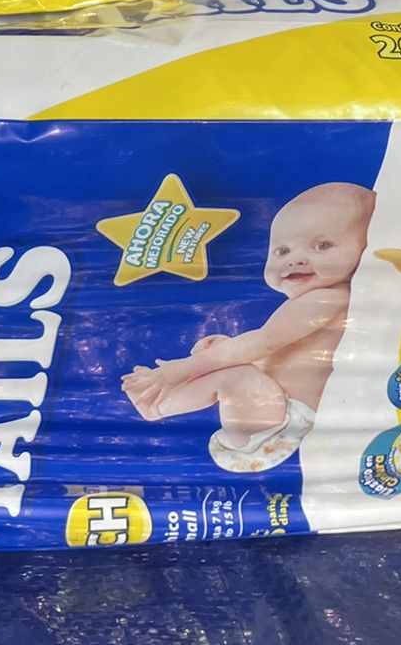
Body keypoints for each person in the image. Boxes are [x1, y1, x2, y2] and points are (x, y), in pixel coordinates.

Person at [121, 182, 376, 473]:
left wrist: (179, 369)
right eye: (282, 251)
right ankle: (160, 401)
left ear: (366, 246)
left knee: (237, 375)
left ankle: (157, 405)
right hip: (275, 411)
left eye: (322, 246)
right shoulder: (319, 300)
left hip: (285, 419)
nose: (295, 259)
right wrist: (229, 346)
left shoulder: (328, 298)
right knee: (234, 367)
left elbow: (265, 342)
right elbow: (277, 352)